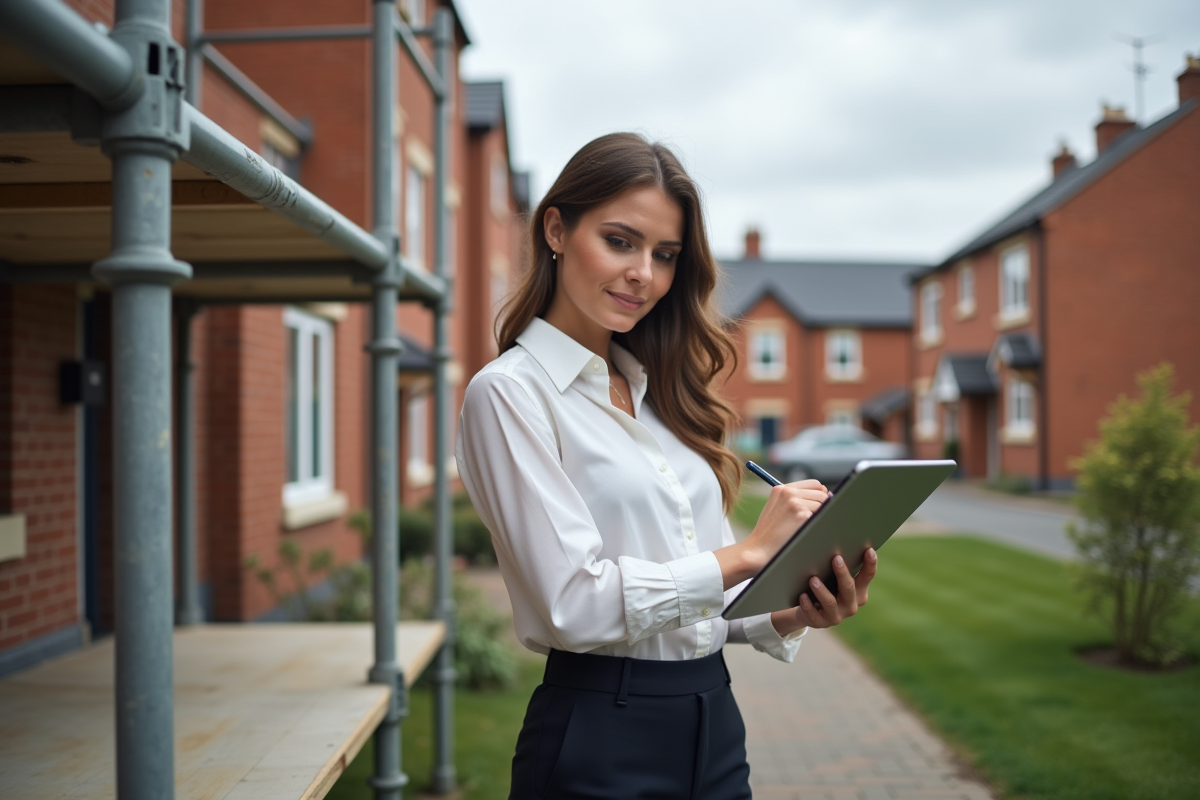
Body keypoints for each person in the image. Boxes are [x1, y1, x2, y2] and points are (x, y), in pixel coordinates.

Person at [455, 132, 878, 800]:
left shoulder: (663, 395)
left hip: (714, 723)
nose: (644, 275)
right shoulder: (510, 394)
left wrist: (791, 609)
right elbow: (573, 604)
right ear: (557, 230)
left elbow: (695, 596)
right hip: (599, 732)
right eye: (621, 241)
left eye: (665, 255)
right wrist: (749, 554)